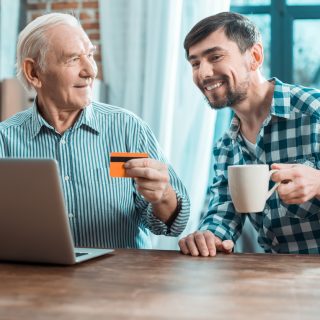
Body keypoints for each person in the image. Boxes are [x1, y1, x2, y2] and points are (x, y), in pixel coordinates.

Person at [0, 12, 190, 249]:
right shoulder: (4, 140)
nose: (91, 70)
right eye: (72, 59)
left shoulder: (127, 128)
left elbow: (175, 224)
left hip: (117, 282)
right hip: (39, 283)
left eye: (90, 55)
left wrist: (163, 197)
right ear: (34, 73)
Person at [178, 12, 320, 256]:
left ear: (254, 57)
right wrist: (208, 237)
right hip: (272, 278)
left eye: (215, 57)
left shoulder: (314, 111)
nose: (203, 73)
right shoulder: (225, 147)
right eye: (195, 63)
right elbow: (224, 214)